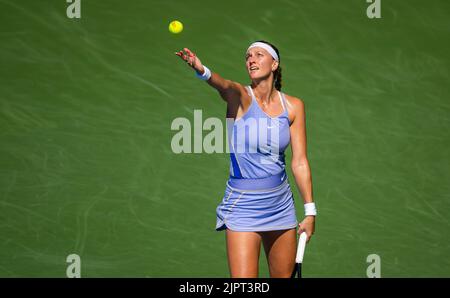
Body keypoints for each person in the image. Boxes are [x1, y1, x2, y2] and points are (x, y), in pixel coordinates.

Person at [175, 41, 316, 278]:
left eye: (259, 55)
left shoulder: (293, 106)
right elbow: (223, 85)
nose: (251, 59)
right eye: (248, 56)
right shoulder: (239, 97)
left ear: (274, 64)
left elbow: (299, 161)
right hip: (243, 207)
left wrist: (310, 212)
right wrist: (202, 70)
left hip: (281, 206)